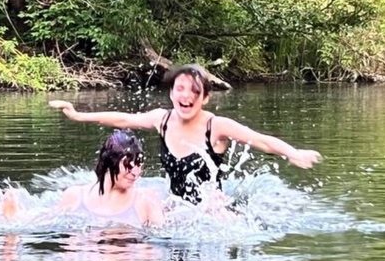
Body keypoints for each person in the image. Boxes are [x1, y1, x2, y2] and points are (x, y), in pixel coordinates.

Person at [49, 64, 322, 203]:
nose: (186, 96)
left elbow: (259, 139)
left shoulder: (216, 126)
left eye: (194, 91)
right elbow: (123, 118)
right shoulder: (163, 119)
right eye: (180, 89)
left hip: (210, 210)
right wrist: (77, 114)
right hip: (175, 207)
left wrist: (292, 153)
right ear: (171, 93)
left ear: (204, 98)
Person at [0, 129, 165, 228]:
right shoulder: (76, 195)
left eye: (138, 164)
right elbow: (41, 222)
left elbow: (163, 241)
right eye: (128, 165)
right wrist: (13, 217)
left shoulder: (146, 200)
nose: (135, 172)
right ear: (109, 162)